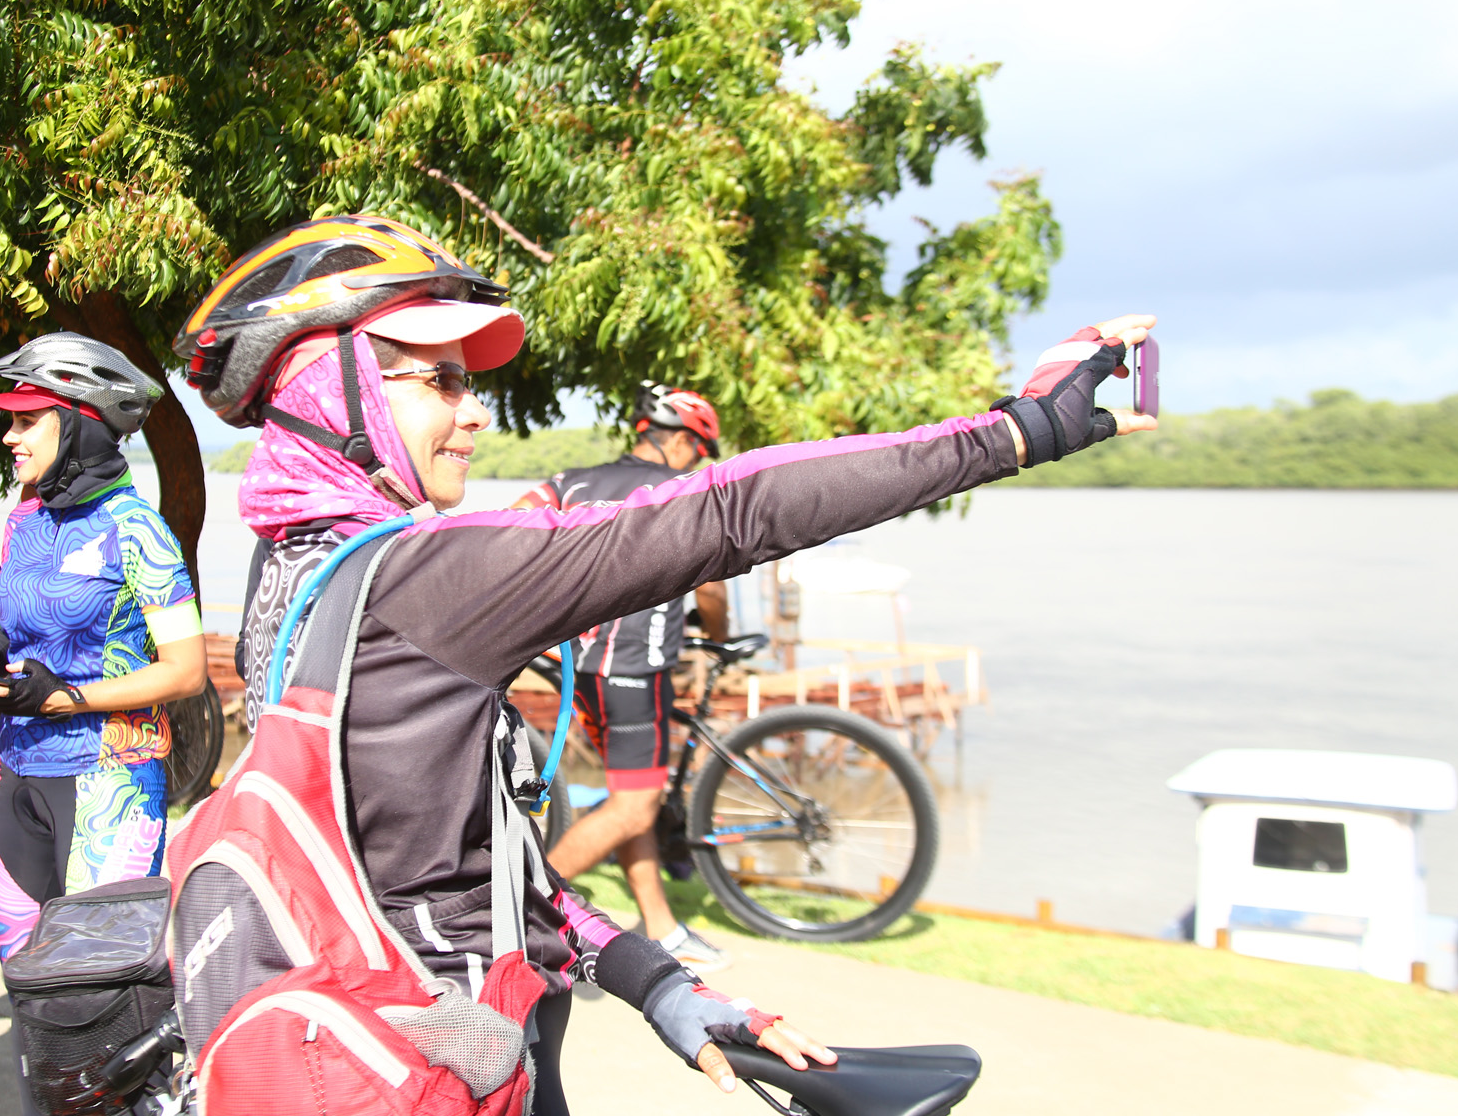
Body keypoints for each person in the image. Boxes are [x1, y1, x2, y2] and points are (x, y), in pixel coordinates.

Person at [175, 211, 1153, 1113]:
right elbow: (730, 512)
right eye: (441, 381)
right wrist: (1016, 431)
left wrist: (655, 982)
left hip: (393, 1036)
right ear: (330, 387)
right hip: (436, 1073)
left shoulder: (294, 570)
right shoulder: (424, 577)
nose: (475, 415)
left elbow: (441, 870)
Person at [0, 333, 207, 1111]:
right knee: (31, 999)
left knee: (101, 1007)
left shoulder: (137, 528)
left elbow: (186, 670)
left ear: (80, 423)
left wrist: (65, 699)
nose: (8, 437)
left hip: (106, 783)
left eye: (25, 421)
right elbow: (17, 625)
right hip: (17, 776)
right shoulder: (25, 520)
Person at [513, 382, 734, 971]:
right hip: (635, 666)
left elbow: (505, 531)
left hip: (579, 667)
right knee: (636, 807)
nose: (697, 459)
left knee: (629, 792)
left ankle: (661, 927)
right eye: (700, 448)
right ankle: (517, 912)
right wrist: (718, 633)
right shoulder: (685, 492)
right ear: (683, 442)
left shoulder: (571, 481)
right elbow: (712, 590)